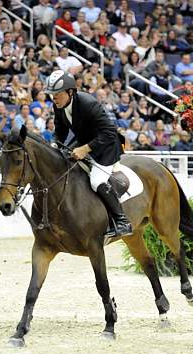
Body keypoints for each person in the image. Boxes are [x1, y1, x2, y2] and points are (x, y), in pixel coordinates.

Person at [44, 70, 132, 237]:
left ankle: (122, 221)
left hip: (106, 145)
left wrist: (85, 149)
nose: (53, 98)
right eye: (51, 95)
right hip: (84, 141)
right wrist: (54, 145)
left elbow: (109, 132)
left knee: (96, 181)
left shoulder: (87, 103)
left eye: (57, 94)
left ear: (70, 92)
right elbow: (60, 130)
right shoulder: (59, 105)